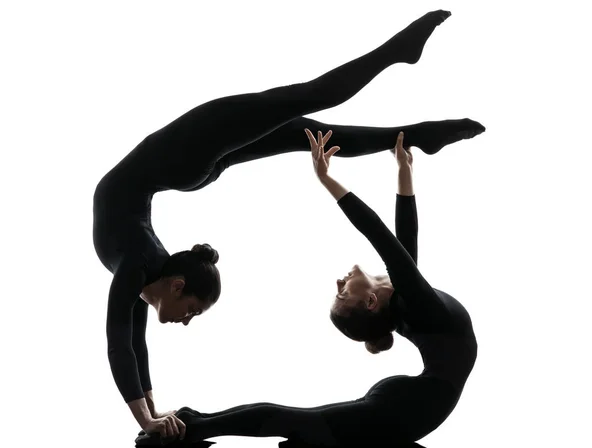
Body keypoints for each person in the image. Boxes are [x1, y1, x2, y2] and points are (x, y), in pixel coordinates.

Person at [93, 8, 485, 438]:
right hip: (184, 160)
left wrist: (148, 415)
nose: (186, 320)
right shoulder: (142, 267)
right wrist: (149, 412)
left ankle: (408, 95)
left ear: (178, 284)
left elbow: (127, 342)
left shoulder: (139, 266)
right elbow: (126, 342)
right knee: (308, 114)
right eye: (193, 313)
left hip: (182, 160)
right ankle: (409, 99)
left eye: (190, 313)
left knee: (309, 116)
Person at [134, 130, 478, 448]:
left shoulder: (410, 303)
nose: (340, 282)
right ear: (371, 301)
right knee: (298, 424)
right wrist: (329, 178)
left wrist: (403, 170)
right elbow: (388, 239)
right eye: (344, 293)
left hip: (407, 407)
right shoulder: (414, 304)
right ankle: (190, 426)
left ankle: (192, 424)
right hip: (408, 409)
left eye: (340, 291)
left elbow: (399, 242)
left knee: (300, 425)